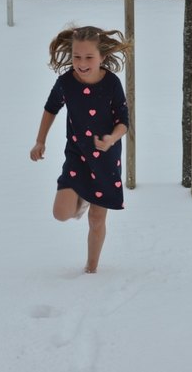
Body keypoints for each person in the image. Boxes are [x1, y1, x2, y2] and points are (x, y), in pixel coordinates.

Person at [30, 25, 133, 274]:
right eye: (77, 57)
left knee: (97, 219)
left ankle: (91, 268)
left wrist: (111, 139)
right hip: (77, 153)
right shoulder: (66, 82)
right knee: (61, 213)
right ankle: (83, 196)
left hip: (106, 157)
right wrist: (40, 140)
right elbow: (51, 108)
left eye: (89, 57)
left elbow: (124, 121)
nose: (82, 63)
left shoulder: (111, 83)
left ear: (102, 57)